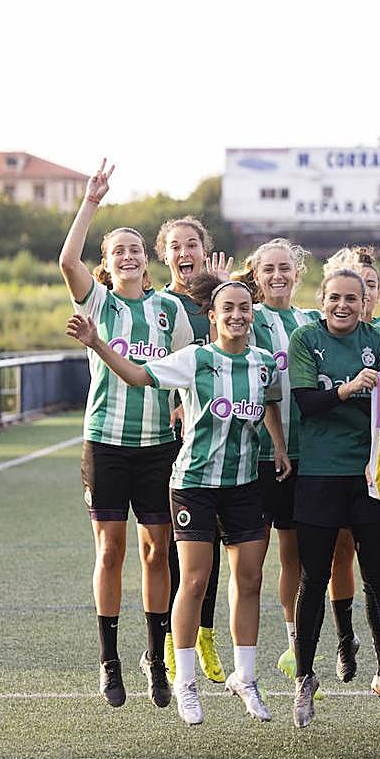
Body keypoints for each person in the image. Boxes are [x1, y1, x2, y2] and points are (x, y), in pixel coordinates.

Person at [67, 273, 287, 726]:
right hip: (193, 484)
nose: (237, 316)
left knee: (249, 580)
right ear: (212, 316)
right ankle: (184, 681)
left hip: (244, 485)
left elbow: (270, 405)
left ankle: (245, 678)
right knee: (194, 581)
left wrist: (279, 446)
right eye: (227, 309)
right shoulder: (195, 359)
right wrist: (97, 344)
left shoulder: (265, 363)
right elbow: (135, 374)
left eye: (244, 309)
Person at [57, 160, 193, 708]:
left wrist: (187, 414)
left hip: (158, 446)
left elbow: (188, 370)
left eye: (136, 249)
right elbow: (67, 259)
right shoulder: (99, 303)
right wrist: (91, 202)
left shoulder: (168, 311)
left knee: (158, 552)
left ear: (147, 260)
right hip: (107, 443)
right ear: (108, 266)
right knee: (111, 549)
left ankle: (156, 658)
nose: (129, 257)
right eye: (119, 252)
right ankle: (109, 660)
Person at [286, 265, 380, 726]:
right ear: (322, 300)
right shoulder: (304, 340)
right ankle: (304, 680)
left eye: (352, 299)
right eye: (335, 298)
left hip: (368, 475)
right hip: (319, 473)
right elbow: (306, 403)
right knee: (314, 578)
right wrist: (348, 388)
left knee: (379, 578)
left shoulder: (378, 340)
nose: (343, 306)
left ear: (365, 303)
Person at [235, 239, 321, 683]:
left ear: (297, 271)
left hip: (305, 457)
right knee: (248, 563)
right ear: (256, 273)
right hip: (256, 457)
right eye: (267, 269)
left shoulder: (311, 321)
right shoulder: (247, 319)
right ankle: (242, 662)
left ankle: (293, 647)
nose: (277, 276)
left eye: (284, 267)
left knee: (295, 557)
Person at [156, 214, 227, 685]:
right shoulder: (158, 304)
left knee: (216, 542)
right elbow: (151, 366)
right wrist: (173, 404)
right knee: (171, 543)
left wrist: (223, 285)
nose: (185, 253)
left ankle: (205, 633)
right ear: (165, 256)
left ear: (204, 250)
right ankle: (167, 634)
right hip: (172, 439)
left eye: (192, 245)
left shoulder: (223, 299)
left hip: (220, 439)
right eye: (176, 246)